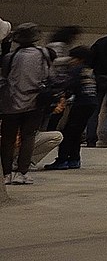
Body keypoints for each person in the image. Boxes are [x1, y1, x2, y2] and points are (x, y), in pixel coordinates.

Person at [2, 23, 54, 184]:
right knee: (28, 137)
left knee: (7, 139)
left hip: (10, 103)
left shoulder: (10, 57)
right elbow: (48, 75)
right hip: (34, 103)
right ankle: (22, 172)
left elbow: (5, 76)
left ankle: (6, 173)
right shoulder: (43, 53)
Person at [47, 44, 98, 170]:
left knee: (68, 132)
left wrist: (60, 93)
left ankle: (62, 160)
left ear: (79, 59)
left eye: (73, 58)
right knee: (77, 132)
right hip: (91, 102)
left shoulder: (76, 69)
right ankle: (75, 159)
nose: (70, 60)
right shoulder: (89, 70)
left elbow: (69, 84)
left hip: (81, 103)